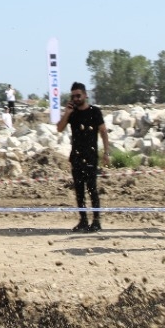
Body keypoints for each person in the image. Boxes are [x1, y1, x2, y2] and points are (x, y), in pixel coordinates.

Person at [55, 82, 111, 233]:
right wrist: (66, 112)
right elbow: (59, 128)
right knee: (79, 190)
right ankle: (83, 220)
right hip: (76, 157)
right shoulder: (72, 114)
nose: (76, 98)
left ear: (85, 95)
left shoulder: (95, 112)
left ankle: (97, 221)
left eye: (78, 95)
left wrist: (106, 153)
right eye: (73, 96)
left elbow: (103, 131)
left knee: (92, 189)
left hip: (91, 156)